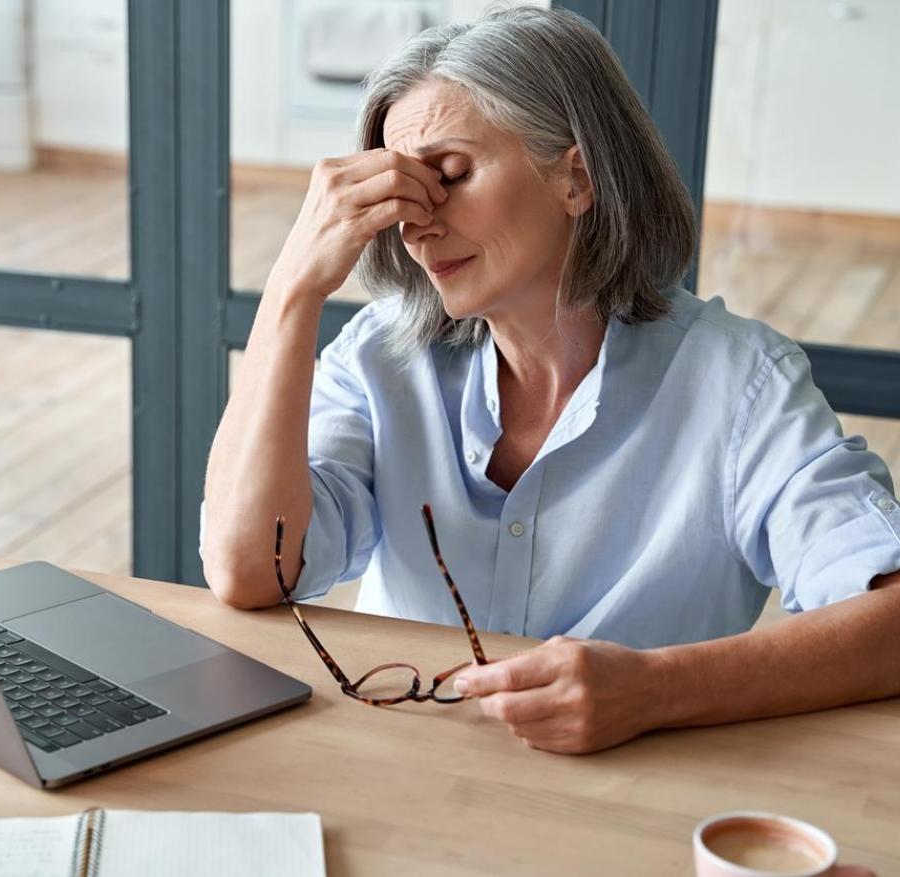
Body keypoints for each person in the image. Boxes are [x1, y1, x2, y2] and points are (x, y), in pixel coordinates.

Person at [199, 5, 900, 757]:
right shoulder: (380, 359)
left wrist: (655, 689)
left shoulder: (739, 386)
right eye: (402, 191)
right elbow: (248, 571)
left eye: (450, 175)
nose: (416, 224)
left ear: (577, 177)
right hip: (406, 784)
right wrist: (292, 288)